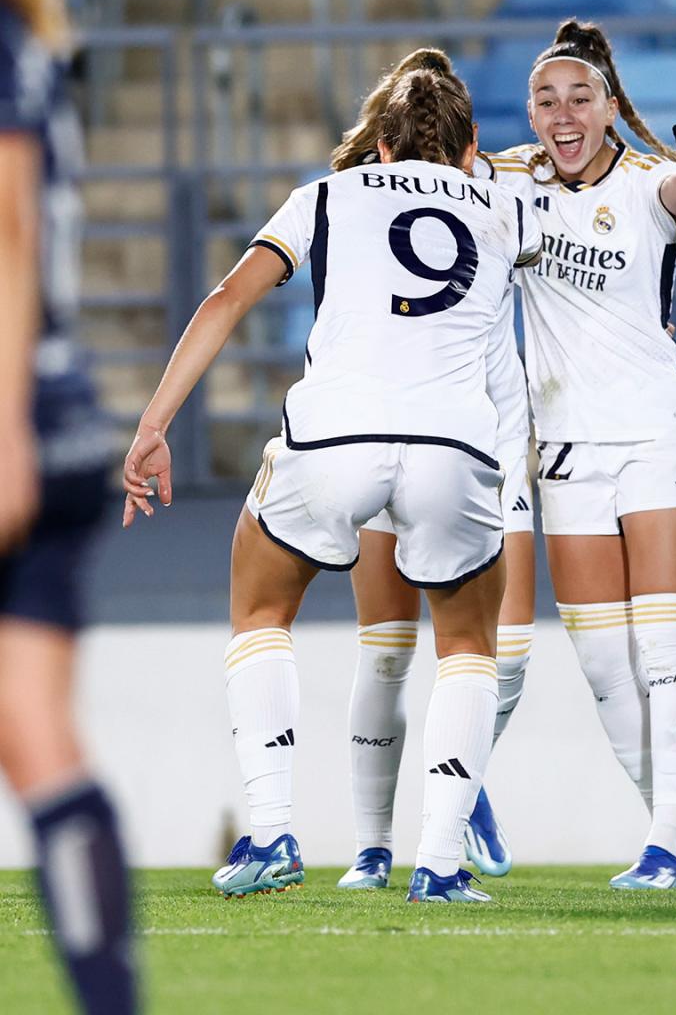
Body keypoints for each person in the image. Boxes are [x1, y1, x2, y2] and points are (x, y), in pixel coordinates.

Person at [121, 64, 542, 904]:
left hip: (334, 435)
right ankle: (441, 863)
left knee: (261, 608)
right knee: (466, 644)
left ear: (379, 145)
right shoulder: (505, 210)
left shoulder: (327, 195)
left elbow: (226, 298)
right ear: (470, 152)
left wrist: (154, 424)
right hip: (455, 446)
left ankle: (274, 831)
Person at [479, 19, 676, 891]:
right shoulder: (511, 181)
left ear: (609, 109)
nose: (562, 115)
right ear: (530, 110)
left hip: (659, 433)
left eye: (579, 98)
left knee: (667, 650)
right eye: (545, 99)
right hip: (565, 450)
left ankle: (666, 845)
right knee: (605, 666)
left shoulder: (645, 185)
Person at [325, 50, 536, 891]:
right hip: (431, 435)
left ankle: (461, 784)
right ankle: (380, 847)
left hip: (485, 440)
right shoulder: (496, 202)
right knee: (397, 652)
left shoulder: (493, 197)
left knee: (501, 656)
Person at [0, 0, 137, 1010]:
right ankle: (107, 997)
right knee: (36, 733)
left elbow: (5, 236)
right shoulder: (32, 41)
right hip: (63, 414)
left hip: (17, 424)